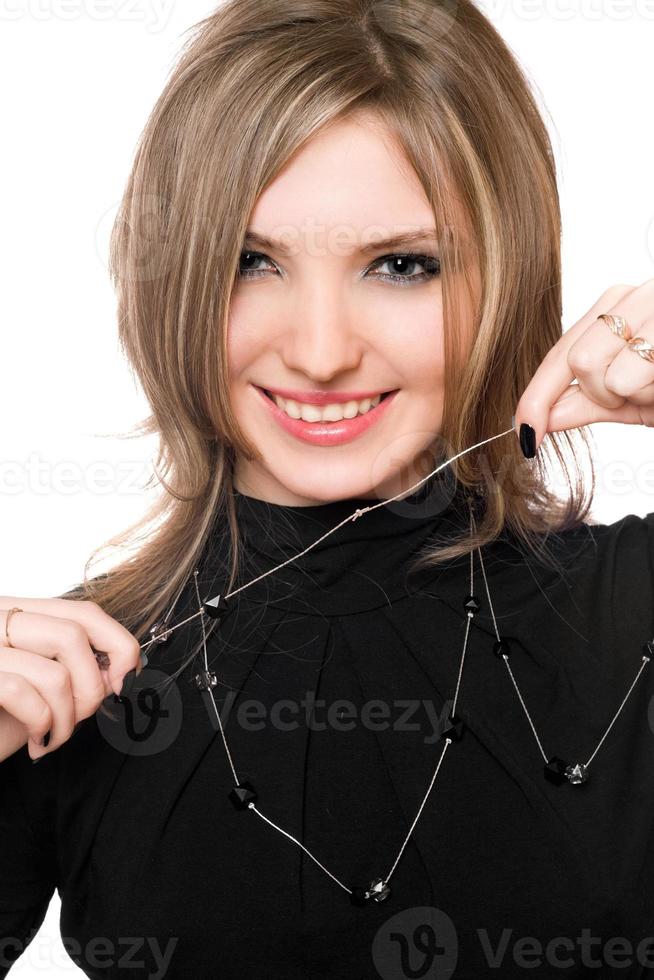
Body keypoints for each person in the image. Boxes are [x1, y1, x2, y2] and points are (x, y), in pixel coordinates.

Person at [1, 0, 654, 977]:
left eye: (401, 265)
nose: (317, 351)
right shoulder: (59, 684)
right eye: (251, 261)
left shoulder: (633, 613)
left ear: (506, 276)